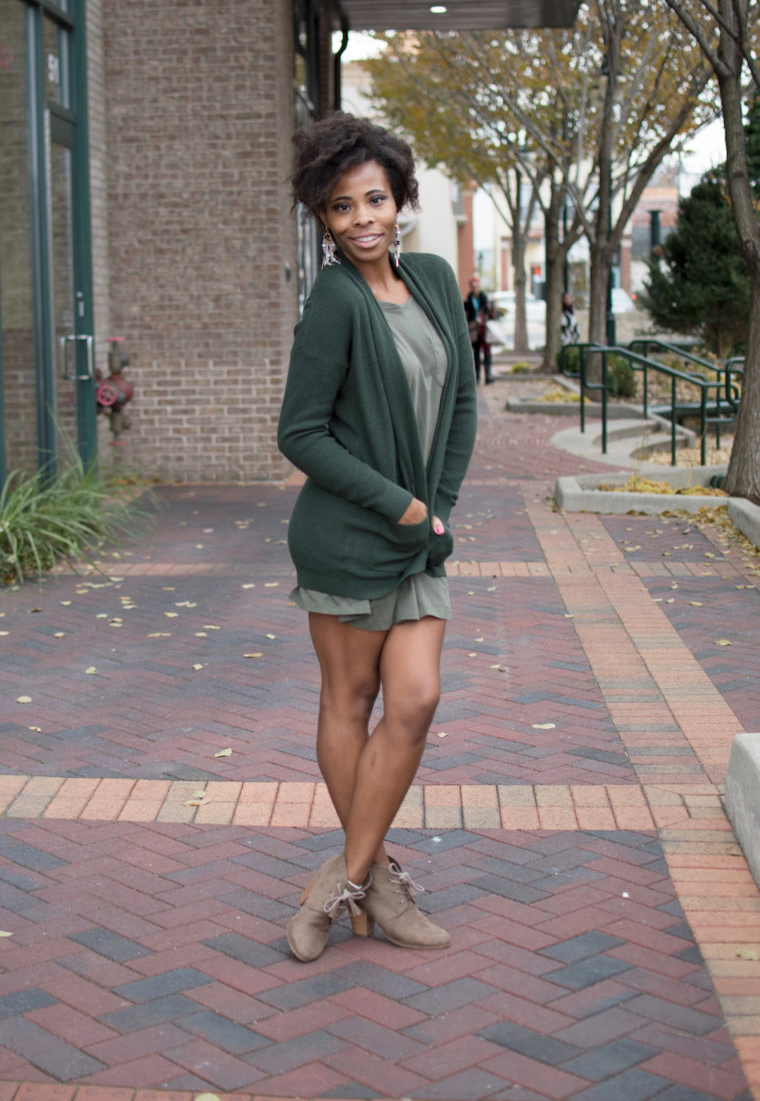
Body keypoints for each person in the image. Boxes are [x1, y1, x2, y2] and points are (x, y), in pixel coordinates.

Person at [277, 112, 477, 962]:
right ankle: (380, 884)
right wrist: (399, 506)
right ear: (322, 218)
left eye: (375, 200)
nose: (362, 219)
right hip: (348, 540)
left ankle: (342, 881)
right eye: (340, 207)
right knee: (350, 704)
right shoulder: (334, 300)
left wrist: (438, 506)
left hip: (416, 538)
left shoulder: (432, 278)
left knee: (419, 699)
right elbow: (300, 434)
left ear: (400, 201)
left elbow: (463, 400)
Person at [464, 275, 495, 383]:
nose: (475, 288)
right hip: (474, 330)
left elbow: (490, 312)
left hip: (484, 329)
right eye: (473, 286)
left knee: (487, 353)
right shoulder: (468, 299)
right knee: (476, 353)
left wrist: (485, 317)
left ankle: (488, 376)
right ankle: (477, 377)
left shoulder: (484, 298)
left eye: (477, 286)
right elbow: (466, 314)